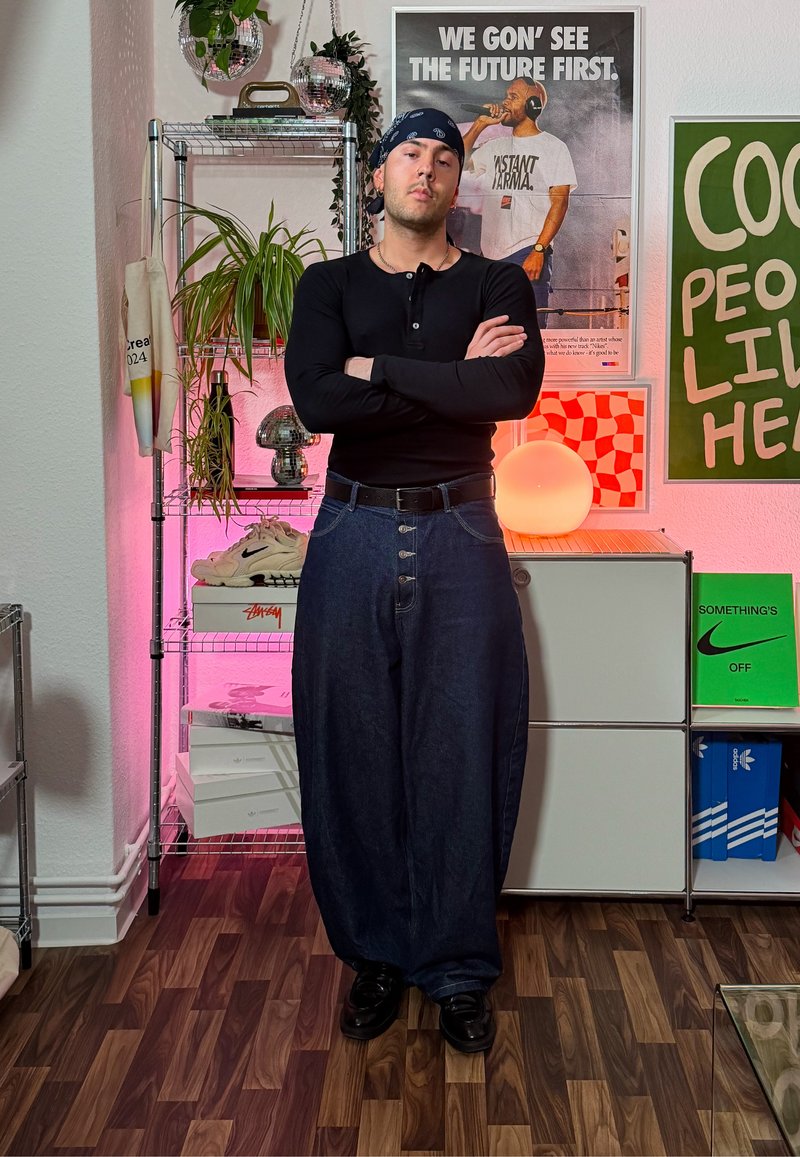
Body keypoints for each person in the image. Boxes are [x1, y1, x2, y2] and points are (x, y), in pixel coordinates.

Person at [284, 107, 544, 1054]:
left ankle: (458, 968)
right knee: (351, 752)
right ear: (380, 176)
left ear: (457, 182)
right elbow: (317, 400)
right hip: (350, 531)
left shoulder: (498, 281)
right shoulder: (328, 284)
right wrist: (442, 375)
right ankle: (376, 958)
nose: (425, 170)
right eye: (409, 155)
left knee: (464, 751)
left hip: (463, 529)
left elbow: (507, 394)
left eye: (444, 158)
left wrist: (379, 370)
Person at [462, 79, 577, 326]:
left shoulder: (554, 148)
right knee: (491, 332)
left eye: (513, 96)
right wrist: (480, 124)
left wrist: (539, 250)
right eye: (506, 95)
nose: (505, 101)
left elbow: (560, 203)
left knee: (528, 333)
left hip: (527, 251)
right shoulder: (495, 147)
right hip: (490, 256)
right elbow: (455, 162)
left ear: (533, 104)